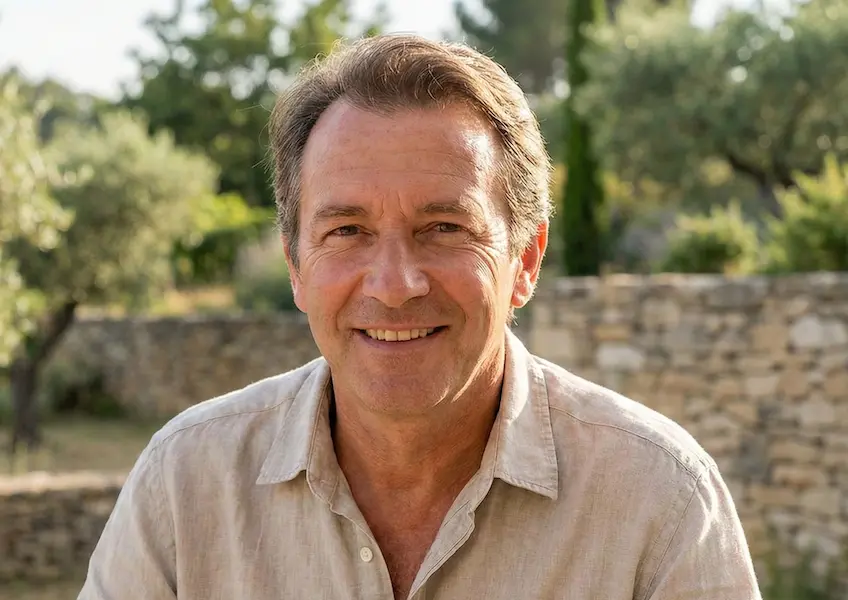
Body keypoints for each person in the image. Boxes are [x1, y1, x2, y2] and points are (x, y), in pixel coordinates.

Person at [78, 34, 762, 600]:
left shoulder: (659, 499)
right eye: (347, 231)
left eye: (443, 227)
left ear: (525, 259)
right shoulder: (184, 484)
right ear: (294, 264)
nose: (395, 284)